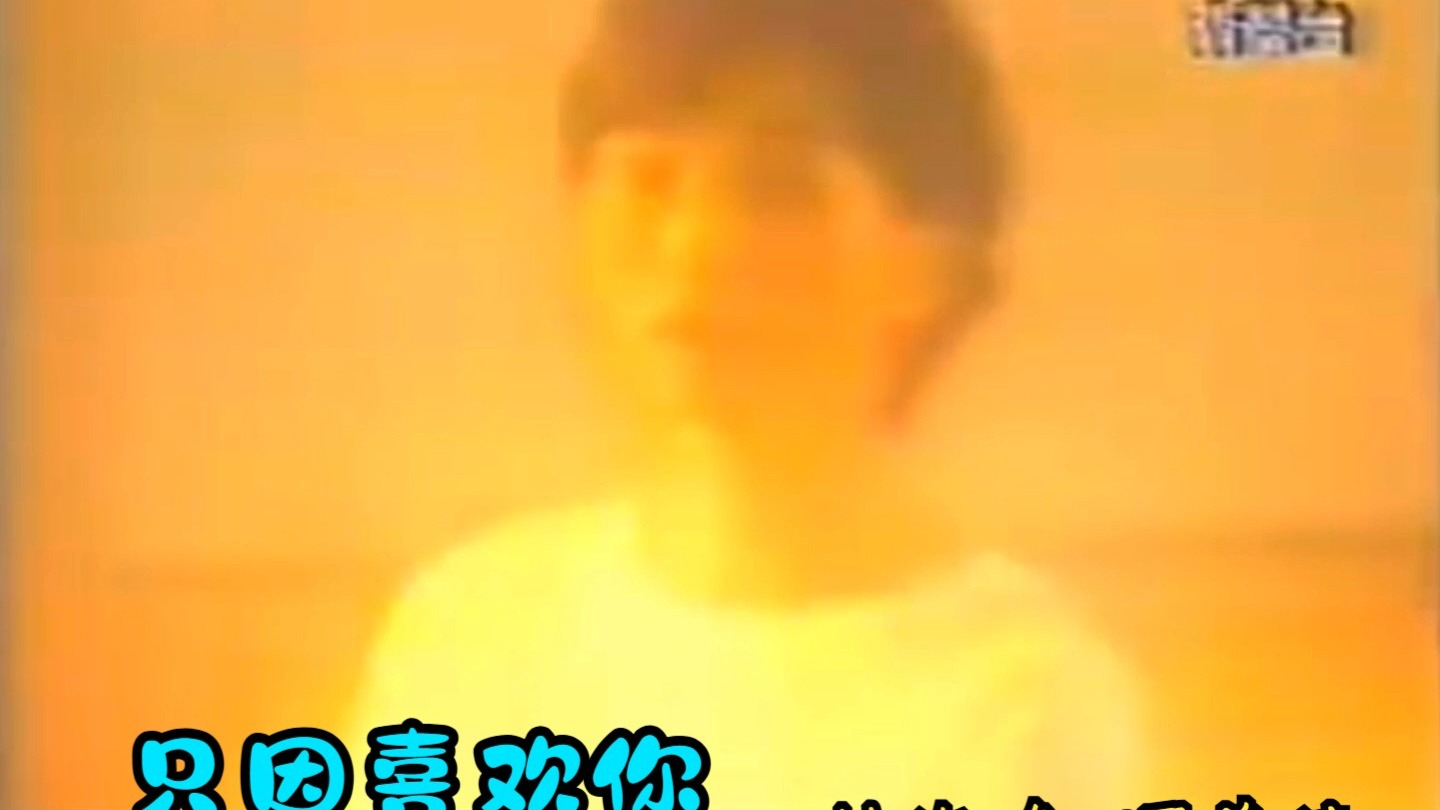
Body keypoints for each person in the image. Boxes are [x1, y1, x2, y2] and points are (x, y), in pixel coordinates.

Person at [349, 0, 1146, 806]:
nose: (695, 247)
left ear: (929, 262)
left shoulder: (1022, 699)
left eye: (778, 190)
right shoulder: (469, 631)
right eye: (649, 181)